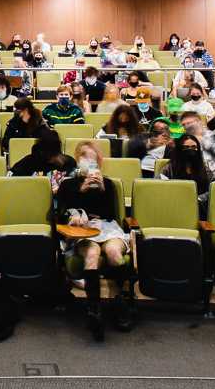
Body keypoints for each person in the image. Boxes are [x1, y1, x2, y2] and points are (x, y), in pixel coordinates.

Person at [57, 141, 132, 339]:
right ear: (78, 160)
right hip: (83, 231)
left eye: (93, 159)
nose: (89, 162)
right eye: (85, 157)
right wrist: (81, 190)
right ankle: (94, 309)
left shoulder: (108, 184)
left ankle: (120, 302)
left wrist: (101, 190)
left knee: (114, 254)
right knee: (92, 255)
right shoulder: (68, 184)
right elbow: (62, 212)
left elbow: (111, 214)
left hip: (107, 228)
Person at [159, 133, 212, 214]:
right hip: (174, 206)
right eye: (186, 147)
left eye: (194, 147)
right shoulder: (169, 168)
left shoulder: (204, 169)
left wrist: (199, 198)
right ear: (180, 149)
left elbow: (214, 188)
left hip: (199, 207)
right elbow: (158, 186)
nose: (190, 150)